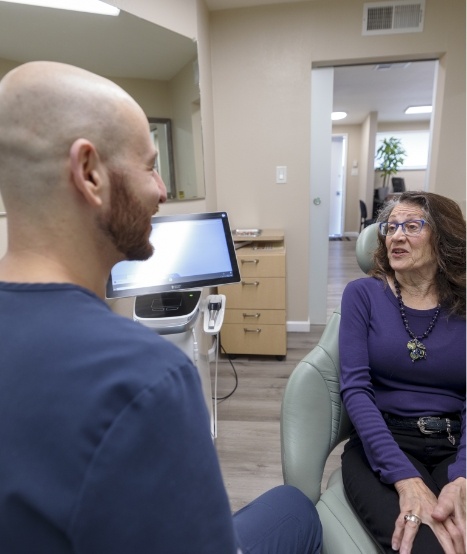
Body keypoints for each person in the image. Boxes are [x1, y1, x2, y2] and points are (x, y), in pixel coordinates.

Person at [0, 61, 322, 554]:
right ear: (89, 173)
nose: (163, 190)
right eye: (150, 165)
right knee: (295, 509)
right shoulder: (148, 377)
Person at [339, 191, 466, 554]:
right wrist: (404, 478)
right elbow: (356, 390)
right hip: (383, 442)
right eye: (391, 227)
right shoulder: (362, 295)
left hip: (456, 446)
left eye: (412, 226)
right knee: (427, 546)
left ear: (443, 237)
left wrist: (462, 477)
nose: (396, 236)